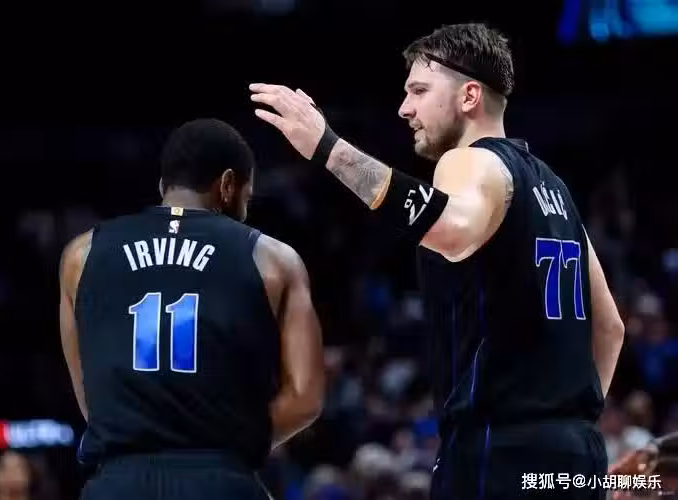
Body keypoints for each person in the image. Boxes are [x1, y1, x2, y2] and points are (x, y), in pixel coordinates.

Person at [250, 22, 625, 499]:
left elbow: (452, 229)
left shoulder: (470, 162)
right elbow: (610, 327)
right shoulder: (556, 189)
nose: (404, 108)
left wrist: (328, 148)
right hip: (578, 455)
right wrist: (568, 425)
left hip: (498, 450)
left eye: (420, 90)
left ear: (469, 96)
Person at [59, 118, 325, 500]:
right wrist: (231, 445)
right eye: (247, 198)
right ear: (228, 185)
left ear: (162, 185)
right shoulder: (274, 260)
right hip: (219, 478)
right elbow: (305, 398)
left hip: (119, 480)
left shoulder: (81, 255)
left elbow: (90, 396)